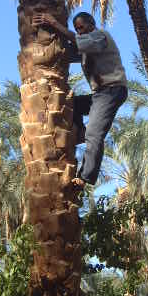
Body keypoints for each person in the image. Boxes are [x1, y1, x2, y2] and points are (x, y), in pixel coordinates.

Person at [32, 11, 127, 190]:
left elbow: (76, 41)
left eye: (81, 27)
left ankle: (85, 177)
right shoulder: (84, 46)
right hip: (100, 94)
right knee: (71, 103)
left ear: (92, 23)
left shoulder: (100, 37)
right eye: (77, 29)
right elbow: (65, 51)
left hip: (112, 90)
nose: (79, 31)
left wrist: (53, 21)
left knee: (95, 134)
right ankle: (80, 132)